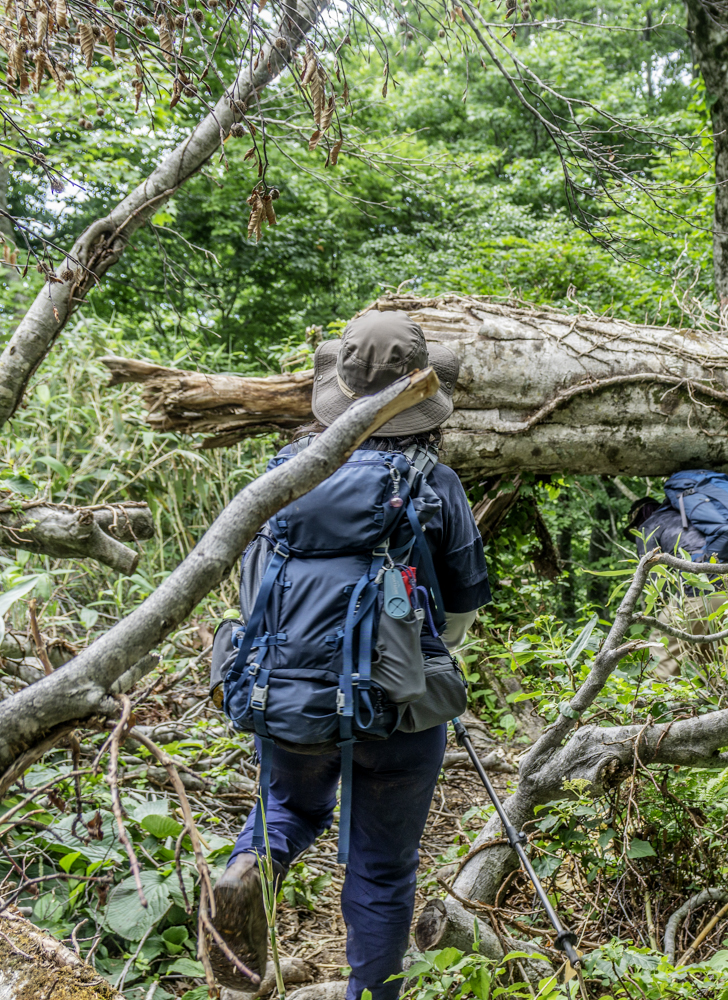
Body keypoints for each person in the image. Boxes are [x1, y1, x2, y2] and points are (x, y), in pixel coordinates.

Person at [206, 309, 490, 1000]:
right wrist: (417, 658)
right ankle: (371, 994)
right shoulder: (433, 483)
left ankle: (250, 870)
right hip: (394, 706)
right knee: (382, 868)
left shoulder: (284, 477)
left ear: (337, 390)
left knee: (289, 809)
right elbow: (461, 606)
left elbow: (251, 594)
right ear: (422, 398)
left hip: (286, 695)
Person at [627, 472, 728, 677]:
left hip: (704, 592)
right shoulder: (695, 516)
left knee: (660, 652)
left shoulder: (649, 526)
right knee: (714, 662)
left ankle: (651, 706)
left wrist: (663, 610)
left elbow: (654, 579)